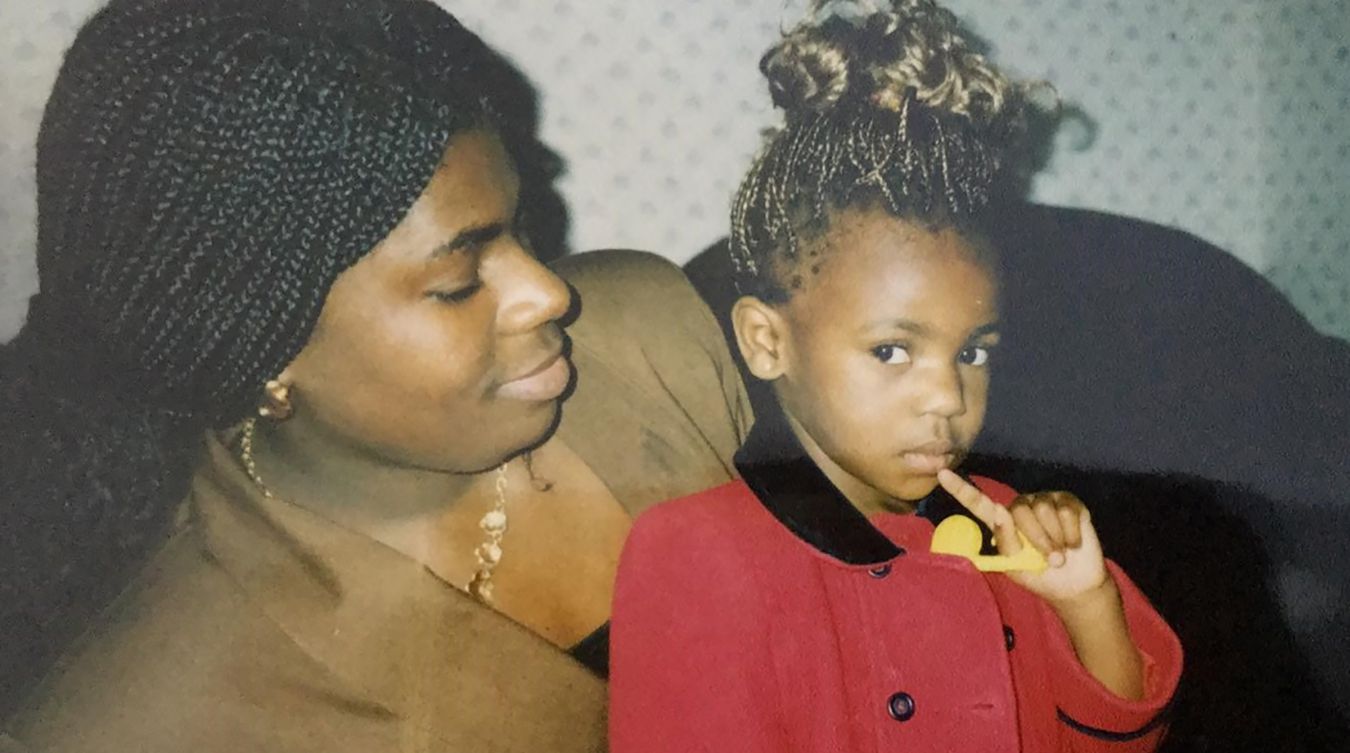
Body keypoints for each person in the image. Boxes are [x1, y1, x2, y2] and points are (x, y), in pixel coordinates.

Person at [0, 0, 749, 750]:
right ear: (266, 352)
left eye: (519, 229)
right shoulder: (174, 713)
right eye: (458, 281)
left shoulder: (657, 338)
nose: (548, 292)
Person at [609, 1, 1182, 751]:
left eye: (972, 352)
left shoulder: (1009, 530)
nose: (948, 397)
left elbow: (1124, 740)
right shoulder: (696, 552)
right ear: (765, 339)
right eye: (891, 351)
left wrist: (1085, 600)